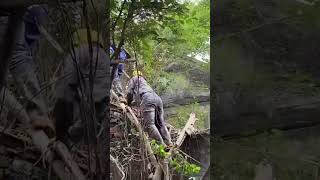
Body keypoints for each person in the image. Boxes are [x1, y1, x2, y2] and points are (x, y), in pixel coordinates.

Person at [0, 5, 54, 133]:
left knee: (18, 55)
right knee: (19, 55)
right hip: (24, 11)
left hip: (11, 12)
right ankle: (36, 113)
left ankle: (37, 113)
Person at [53, 29, 109, 146]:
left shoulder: (80, 51)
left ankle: (62, 138)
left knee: (65, 93)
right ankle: (76, 142)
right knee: (97, 106)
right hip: (102, 58)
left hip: (82, 49)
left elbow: (67, 85)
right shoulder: (103, 56)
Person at [126, 70, 173, 147]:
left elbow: (129, 93)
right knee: (160, 123)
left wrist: (128, 103)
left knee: (150, 125)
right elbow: (138, 99)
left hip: (148, 99)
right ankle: (169, 142)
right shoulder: (145, 83)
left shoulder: (134, 78)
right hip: (157, 98)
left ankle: (162, 145)